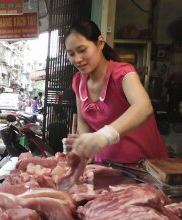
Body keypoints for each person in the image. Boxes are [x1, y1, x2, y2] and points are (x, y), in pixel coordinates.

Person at [65, 20, 168, 164]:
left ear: (100, 43)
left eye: (82, 50)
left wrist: (104, 136)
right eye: (71, 54)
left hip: (144, 167)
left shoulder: (123, 73)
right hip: (106, 166)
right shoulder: (78, 81)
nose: (77, 59)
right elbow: (83, 121)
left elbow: (143, 106)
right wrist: (87, 148)